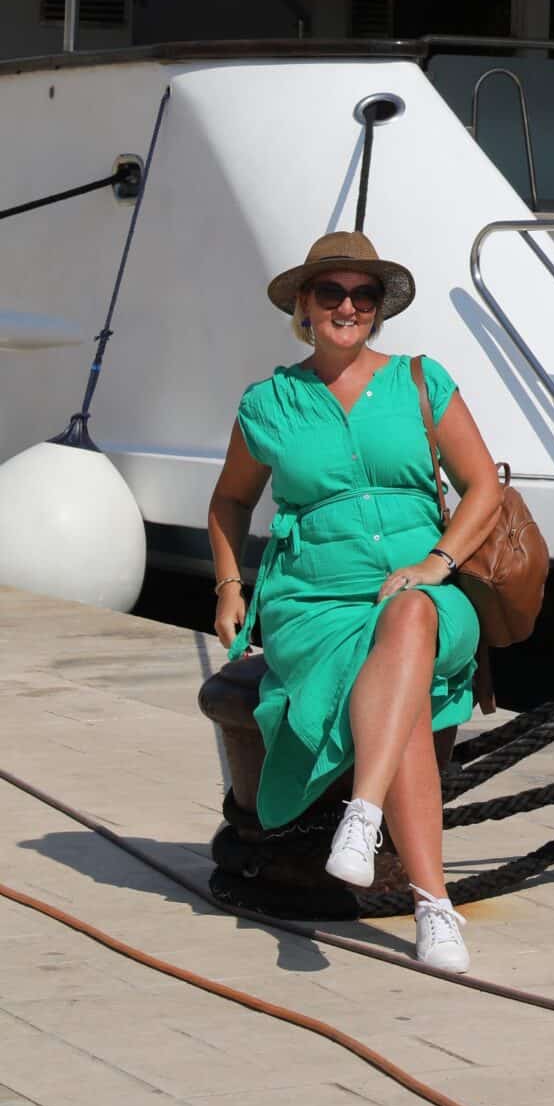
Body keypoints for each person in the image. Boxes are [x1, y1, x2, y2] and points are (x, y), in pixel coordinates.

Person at [207, 231, 503, 973]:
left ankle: (362, 814)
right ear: (303, 307)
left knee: (409, 615)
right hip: (315, 601)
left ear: (377, 309)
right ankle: (435, 909)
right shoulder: (269, 403)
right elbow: (230, 502)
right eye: (331, 293)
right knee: (401, 696)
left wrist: (435, 561)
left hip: (427, 586)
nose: (348, 306)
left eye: (362, 295)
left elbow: (484, 489)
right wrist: (228, 586)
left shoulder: (419, 381)